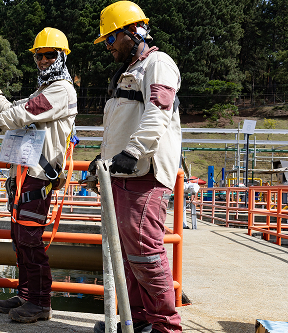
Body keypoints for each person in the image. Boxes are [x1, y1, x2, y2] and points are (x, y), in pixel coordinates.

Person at [0, 27, 77, 323]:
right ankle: (26, 294)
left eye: (49, 55)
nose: (43, 61)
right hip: (23, 174)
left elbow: (20, 116)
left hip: (38, 176)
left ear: (62, 57)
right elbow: (12, 111)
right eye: (39, 56)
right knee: (19, 238)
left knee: (30, 239)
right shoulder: (42, 92)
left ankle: (40, 302)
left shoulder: (61, 91)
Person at [89, 1, 182, 333]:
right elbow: (118, 126)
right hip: (123, 174)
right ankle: (137, 320)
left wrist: (132, 153)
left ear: (132, 32)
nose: (109, 47)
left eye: (111, 39)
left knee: (143, 250)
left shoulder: (158, 65)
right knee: (128, 254)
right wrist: (102, 162)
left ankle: (165, 327)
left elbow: (158, 113)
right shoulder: (128, 72)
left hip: (145, 173)